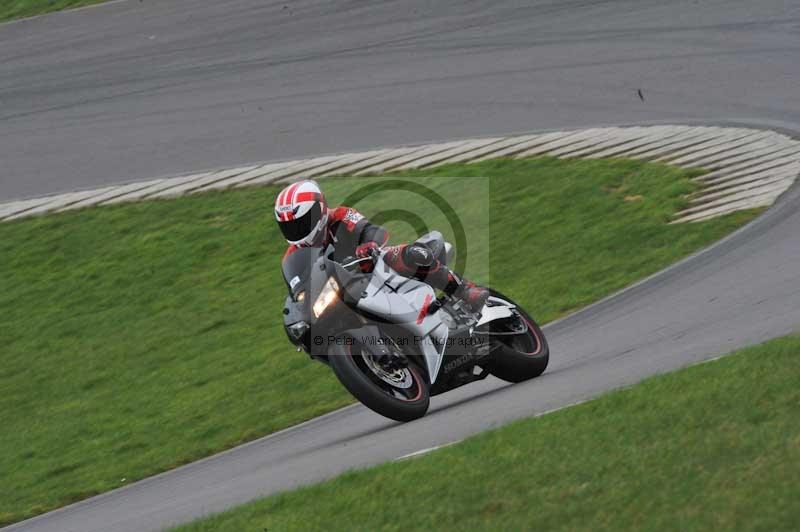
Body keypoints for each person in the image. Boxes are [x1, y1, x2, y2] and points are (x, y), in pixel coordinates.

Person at [275, 179, 489, 313]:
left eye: (300, 223)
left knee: (407, 255)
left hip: (373, 265)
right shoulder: (292, 256)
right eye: (289, 226)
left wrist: (368, 245)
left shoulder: (340, 216)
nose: (296, 231)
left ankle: (464, 290)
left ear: (319, 210)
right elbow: (298, 290)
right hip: (346, 293)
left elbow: (370, 229)